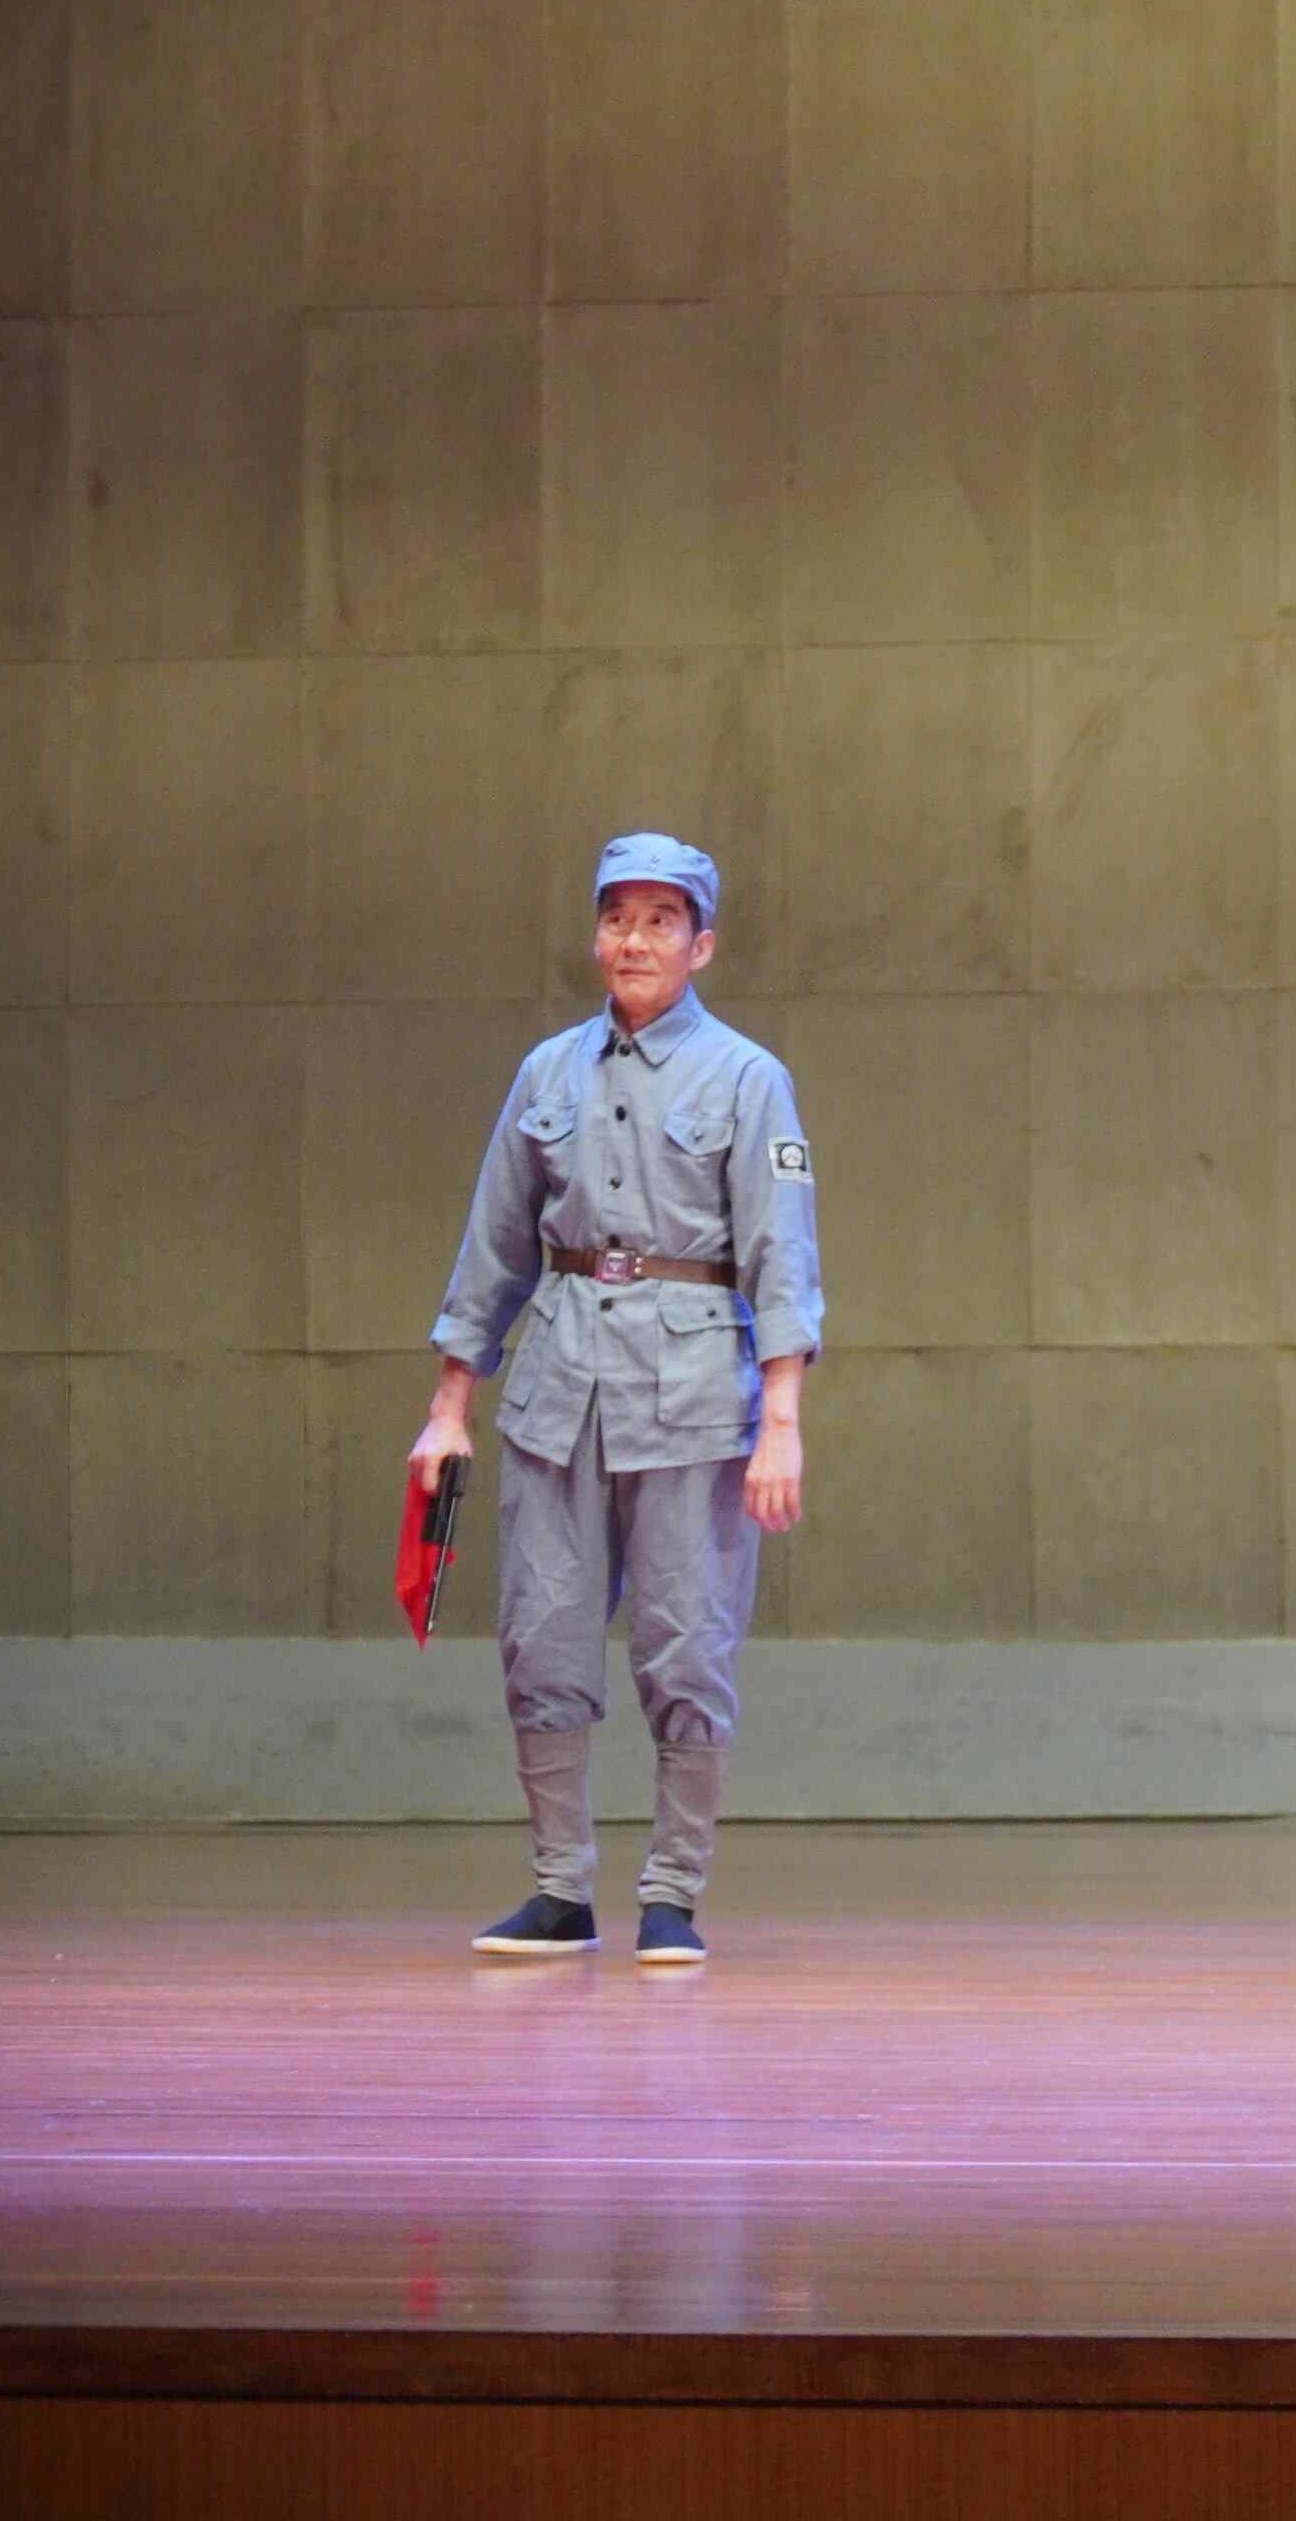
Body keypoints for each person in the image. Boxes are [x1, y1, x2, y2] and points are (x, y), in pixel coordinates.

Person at [414, 834, 819, 1967]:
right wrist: (449, 1405)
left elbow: (782, 1257)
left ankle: (673, 1894)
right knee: (541, 1639)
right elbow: (494, 1245)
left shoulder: (746, 1077)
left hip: (694, 1398)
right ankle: (559, 1891)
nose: (634, 940)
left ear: (702, 945)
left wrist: (781, 1423)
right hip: (558, 1388)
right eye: (617, 918)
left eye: (660, 921)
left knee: (687, 1648)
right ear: (597, 937)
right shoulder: (548, 1072)